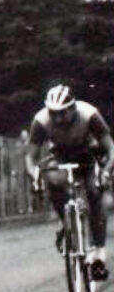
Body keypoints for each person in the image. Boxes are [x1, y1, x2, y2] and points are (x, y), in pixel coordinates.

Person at [24, 84, 114, 281]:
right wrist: (34, 175)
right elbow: (30, 157)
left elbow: (111, 148)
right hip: (62, 157)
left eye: (62, 113)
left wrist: (106, 172)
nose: (57, 118)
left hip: (89, 156)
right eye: (53, 113)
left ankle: (98, 254)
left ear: (73, 107)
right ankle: (66, 223)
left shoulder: (89, 114)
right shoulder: (41, 121)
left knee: (94, 192)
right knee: (52, 178)